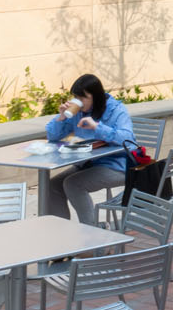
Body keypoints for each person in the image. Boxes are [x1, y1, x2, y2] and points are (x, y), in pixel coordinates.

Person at [44, 74, 135, 226]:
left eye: (83, 97)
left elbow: (128, 139)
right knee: (52, 185)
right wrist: (60, 117)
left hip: (118, 165)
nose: (78, 101)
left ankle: (93, 237)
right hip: (88, 163)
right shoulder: (78, 112)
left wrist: (97, 127)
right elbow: (53, 136)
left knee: (73, 184)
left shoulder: (116, 110)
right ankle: (59, 233)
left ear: (95, 96)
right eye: (76, 96)